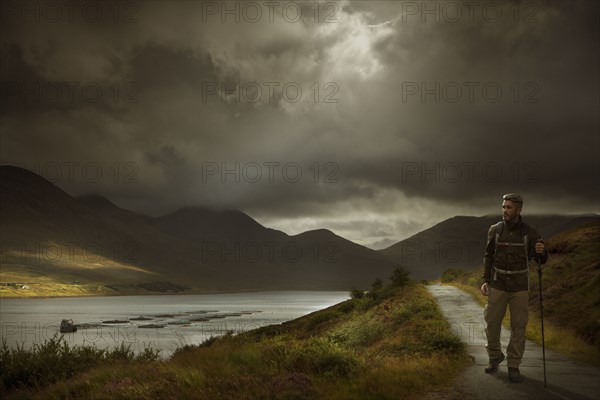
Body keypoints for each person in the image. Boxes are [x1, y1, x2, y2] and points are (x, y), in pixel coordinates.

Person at [480, 193, 547, 382]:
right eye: (503, 207)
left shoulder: (531, 232)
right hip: (498, 283)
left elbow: (541, 259)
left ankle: (513, 365)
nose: (504, 211)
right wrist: (485, 280)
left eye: (508, 207)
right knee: (492, 323)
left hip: (520, 286)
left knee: (519, 326)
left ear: (518, 210)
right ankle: (495, 357)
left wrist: (542, 252)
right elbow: (488, 257)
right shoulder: (495, 230)